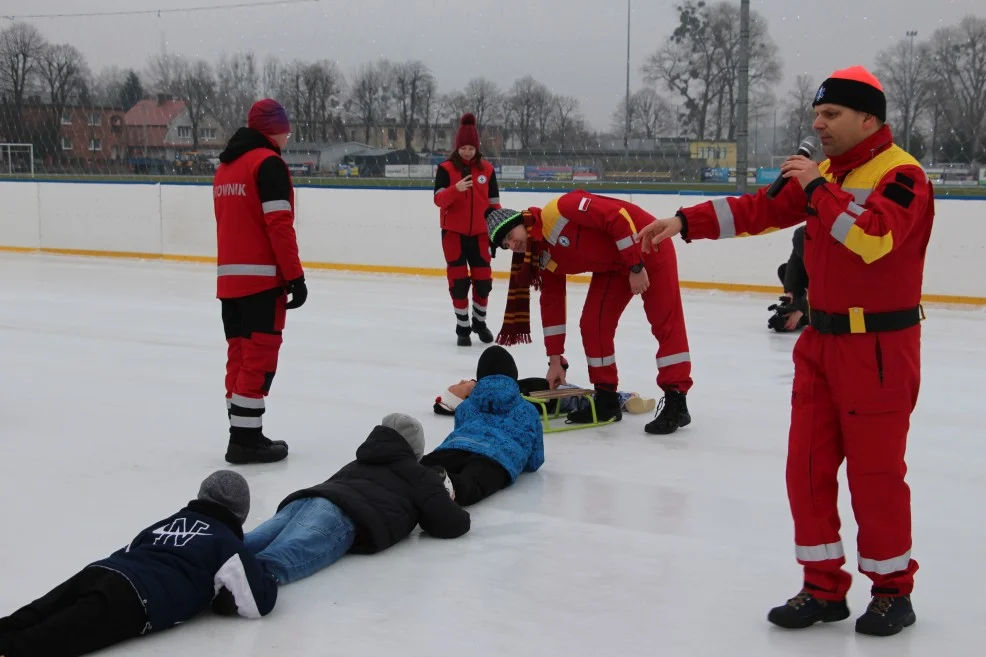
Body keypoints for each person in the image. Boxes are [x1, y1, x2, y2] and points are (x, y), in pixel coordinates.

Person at [636, 65, 931, 637]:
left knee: (875, 476)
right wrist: (684, 221)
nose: (818, 124)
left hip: (878, 349)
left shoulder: (903, 175)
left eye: (831, 115)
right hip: (819, 343)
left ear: (868, 119)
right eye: (817, 114)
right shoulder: (823, 172)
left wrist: (819, 190)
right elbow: (758, 210)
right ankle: (822, 587)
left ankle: (893, 591)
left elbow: (872, 238)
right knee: (808, 468)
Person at [0, 471, 277, 657]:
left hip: (102, 570)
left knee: (37, 613)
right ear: (240, 514)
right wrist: (263, 573)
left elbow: (136, 545)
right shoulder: (227, 543)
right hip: (135, 597)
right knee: (47, 640)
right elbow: (257, 602)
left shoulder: (170, 521)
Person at [484, 192, 694, 435]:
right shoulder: (540, 254)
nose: (512, 245)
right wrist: (555, 360)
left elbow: (617, 218)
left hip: (648, 244)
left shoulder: (560, 210)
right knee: (593, 324)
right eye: (506, 246)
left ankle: (676, 401)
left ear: (521, 221)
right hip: (614, 267)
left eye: (511, 236)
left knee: (665, 322)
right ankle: (606, 399)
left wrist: (635, 266)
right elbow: (551, 302)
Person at [243, 413, 470, 585]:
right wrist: (447, 498)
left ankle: (212, 554)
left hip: (306, 500)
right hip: (341, 514)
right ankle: (246, 583)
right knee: (288, 553)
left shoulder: (360, 460)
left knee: (248, 542)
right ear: (415, 448)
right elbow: (451, 523)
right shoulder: (420, 475)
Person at [213, 98, 307, 465]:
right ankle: (246, 442)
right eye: (286, 127)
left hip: (229, 282)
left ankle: (241, 430)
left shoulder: (226, 168)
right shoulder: (268, 164)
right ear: (275, 129)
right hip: (263, 281)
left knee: (238, 357)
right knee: (258, 359)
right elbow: (278, 224)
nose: (288, 134)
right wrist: (295, 275)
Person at [420, 346, 544, 506]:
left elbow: (459, 429)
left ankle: (402, 476)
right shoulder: (528, 410)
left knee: (421, 468)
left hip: (457, 446)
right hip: (498, 457)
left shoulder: (466, 405)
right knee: (473, 481)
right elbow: (535, 460)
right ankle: (450, 485)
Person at [433, 112, 502, 346]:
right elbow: (439, 200)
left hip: (481, 235)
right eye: (463, 148)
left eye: (471, 148)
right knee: (459, 282)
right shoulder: (445, 169)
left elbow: (494, 203)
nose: (467, 152)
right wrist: (456, 188)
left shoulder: (488, 170)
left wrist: (497, 232)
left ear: (477, 148)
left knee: (483, 281)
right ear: (457, 147)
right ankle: (462, 327)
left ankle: (479, 323)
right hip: (453, 234)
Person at [768, 226, 810, 332]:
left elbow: (825, 283)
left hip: (840, 288)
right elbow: (793, 267)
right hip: (815, 279)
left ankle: (808, 313)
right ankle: (801, 312)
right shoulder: (801, 237)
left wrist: (800, 310)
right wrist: (790, 293)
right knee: (784, 269)